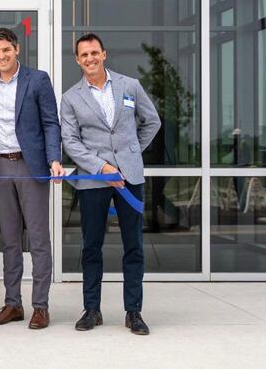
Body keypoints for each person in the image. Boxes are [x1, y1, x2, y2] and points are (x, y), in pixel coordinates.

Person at [61, 33, 161, 335]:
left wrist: (131, 153)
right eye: (84, 55)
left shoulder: (130, 86)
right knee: (91, 246)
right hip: (94, 179)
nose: (90, 58)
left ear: (103, 54)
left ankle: (134, 311)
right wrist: (102, 167)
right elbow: (71, 142)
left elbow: (152, 121)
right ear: (77, 60)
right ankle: (91, 309)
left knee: (134, 246)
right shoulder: (71, 98)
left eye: (94, 53)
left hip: (130, 178)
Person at [0, 28, 64, 330]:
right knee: (10, 241)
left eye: (6, 49)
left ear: (16, 49)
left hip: (31, 166)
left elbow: (50, 122)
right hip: (0, 168)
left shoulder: (37, 79)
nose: (1, 55)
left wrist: (54, 159)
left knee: (39, 240)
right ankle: (12, 304)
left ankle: (40, 306)